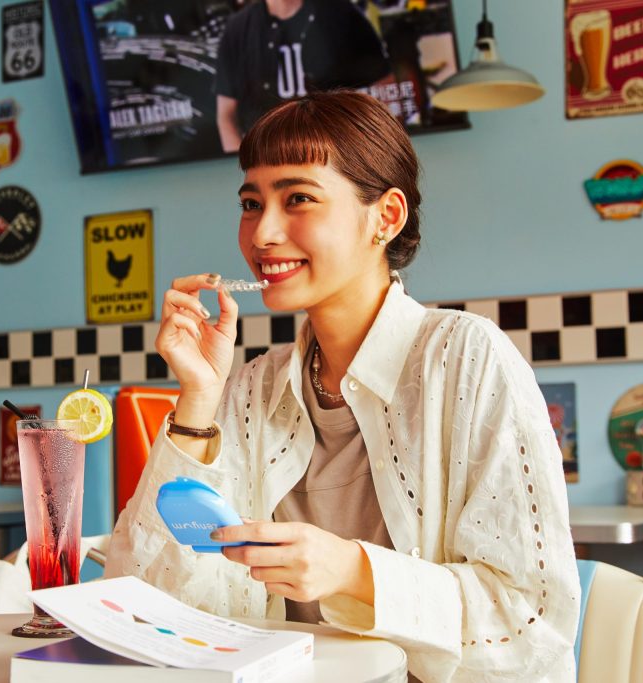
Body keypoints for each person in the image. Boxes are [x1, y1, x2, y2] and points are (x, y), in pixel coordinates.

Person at [105, 91, 580, 682]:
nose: (263, 234)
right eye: (251, 204)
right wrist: (199, 400)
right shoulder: (251, 386)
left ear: (386, 216)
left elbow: (533, 621)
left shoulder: (466, 358)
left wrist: (353, 571)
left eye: (298, 198)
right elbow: (141, 601)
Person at [215, 0, 391, 151]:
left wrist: (369, 151)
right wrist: (243, 166)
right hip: (266, 160)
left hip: (337, 154)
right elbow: (226, 115)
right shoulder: (238, 28)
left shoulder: (339, 12)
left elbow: (386, 85)